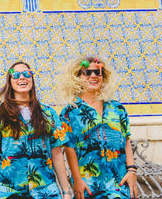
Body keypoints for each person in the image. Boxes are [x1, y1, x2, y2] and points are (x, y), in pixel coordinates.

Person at [0, 61, 72, 199]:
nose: (22, 77)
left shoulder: (48, 113)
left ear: (32, 79)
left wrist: (66, 191)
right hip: (9, 190)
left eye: (27, 74)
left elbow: (57, 154)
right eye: (16, 75)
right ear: (10, 82)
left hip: (45, 190)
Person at [58, 56, 138, 199]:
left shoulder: (117, 109)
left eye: (98, 72)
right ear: (77, 78)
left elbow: (126, 140)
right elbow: (69, 148)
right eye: (87, 72)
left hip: (120, 184)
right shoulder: (70, 112)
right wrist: (77, 180)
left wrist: (132, 171)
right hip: (89, 186)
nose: (93, 76)